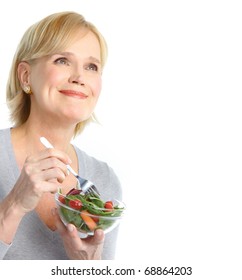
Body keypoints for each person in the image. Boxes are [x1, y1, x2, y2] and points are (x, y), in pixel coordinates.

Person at [0, 11, 122, 260]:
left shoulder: (104, 180)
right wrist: (13, 206)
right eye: (62, 60)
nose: (79, 77)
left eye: (91, 66)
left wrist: (88, 267)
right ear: (25, 76)